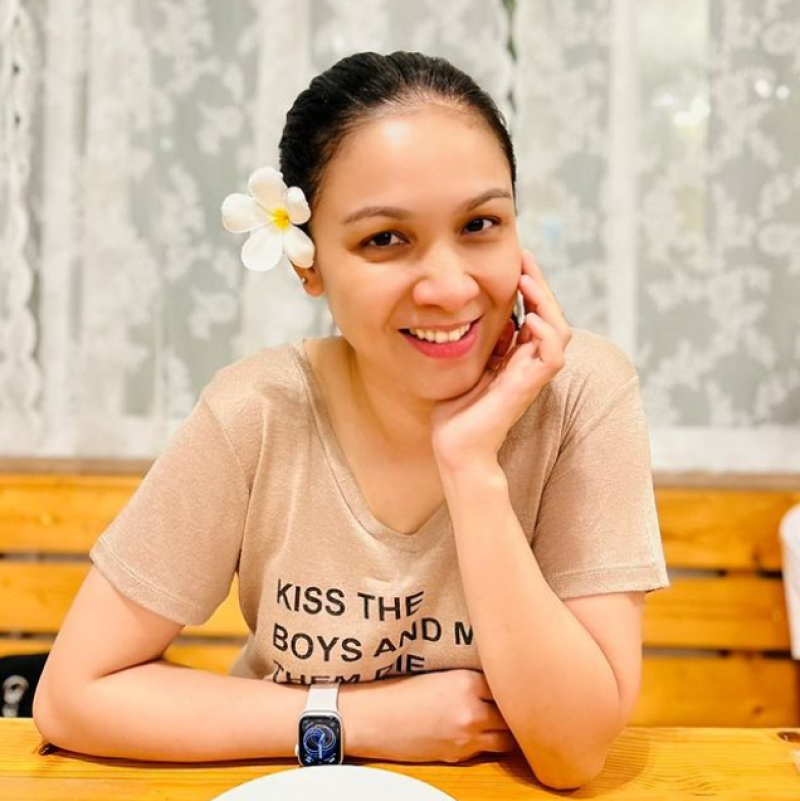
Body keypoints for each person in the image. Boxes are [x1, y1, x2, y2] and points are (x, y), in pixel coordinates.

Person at [33, 51, 669, 789]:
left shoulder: (581, 394)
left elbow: (573, 753)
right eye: (385, 239)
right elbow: (73, 695)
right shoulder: (257, 411)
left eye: (480, 224)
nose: (448, 286)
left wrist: (470, 467)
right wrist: (353, 720)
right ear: (309, 266)